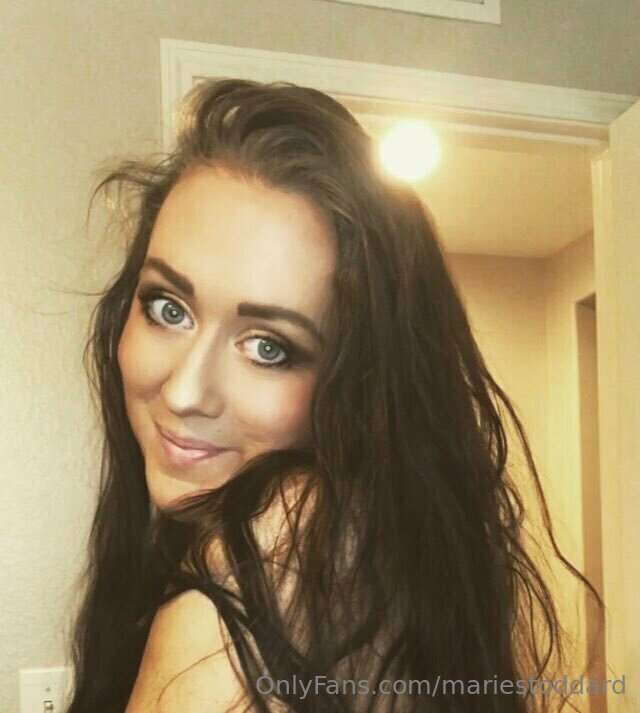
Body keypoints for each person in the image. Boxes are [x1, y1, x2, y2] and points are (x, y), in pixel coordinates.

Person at [65, 78, 602, 713]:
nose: (185, 392)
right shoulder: (382, 566)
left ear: (359, 386)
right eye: (168, 308)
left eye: (269, 347)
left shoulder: (252, 584)